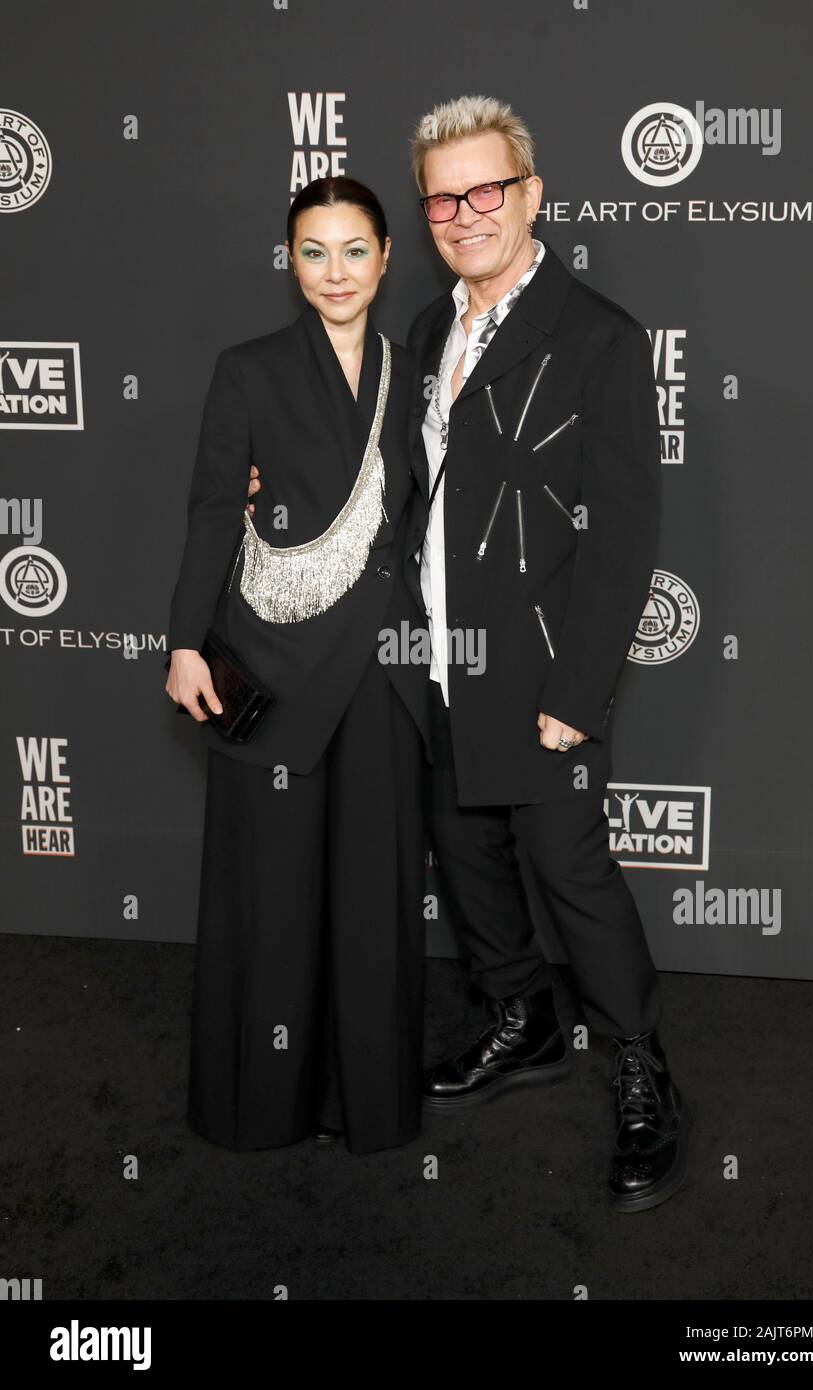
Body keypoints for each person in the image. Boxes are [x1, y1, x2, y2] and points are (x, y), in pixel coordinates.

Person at [404, 95, 691, 1211]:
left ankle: (638, 1068)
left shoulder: (598, 334)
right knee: (466, 856)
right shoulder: (428, 329)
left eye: (488, 190)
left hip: (538, 672)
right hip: (432, 658)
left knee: (569, 870)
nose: (465, 212)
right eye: (444, 195)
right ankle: (521, 1022)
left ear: (531, 195)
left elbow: (624, 533)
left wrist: (580, 688)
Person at [164, 177, 431, 1155]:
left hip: (382, 667)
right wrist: (184, 641)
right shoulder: (249, 368)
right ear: (290, 262)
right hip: (268, 663)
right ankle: (258, 1104)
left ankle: (368, 1103)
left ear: (388, 255)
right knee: (270, 889)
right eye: (313, 251)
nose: (336, 272)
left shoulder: (424, 372)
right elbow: (208, 510)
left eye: (355, 249)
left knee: (374, 895)